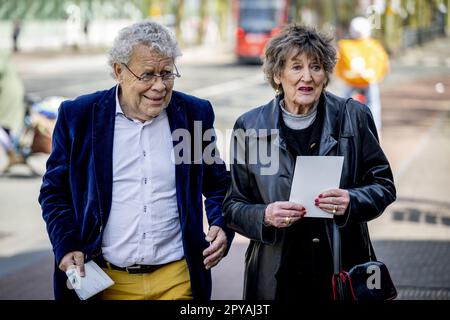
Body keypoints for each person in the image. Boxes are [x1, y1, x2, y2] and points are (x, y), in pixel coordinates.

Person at [39, 20, 233, 300]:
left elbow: (217, 184)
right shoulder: (79, 117)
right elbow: (54, 192)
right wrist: (66, 243)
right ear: (119, 71)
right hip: (105, 282)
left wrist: (220, 223)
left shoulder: (192, 116)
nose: (159, 86)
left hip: (178, 280)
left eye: (167, 73)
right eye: (147, 75)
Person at [223, 24, 396, 300]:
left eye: (316, 67)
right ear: (277, 75)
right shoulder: (249, 126)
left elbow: (384, 185)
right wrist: (265, 215)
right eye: (296, 67)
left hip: (341, 272)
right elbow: (233, 205)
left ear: (325, 73)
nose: (307, 77)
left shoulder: (354, 116)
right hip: (277, 277)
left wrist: (351, 200)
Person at [335, 16, 390, 133]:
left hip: (350, 81)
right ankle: (376, 131)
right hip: (369, 81)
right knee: (373, 106)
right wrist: (378, 76)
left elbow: (338, 65)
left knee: (343, 104)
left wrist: (342, 76)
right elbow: (383, 62)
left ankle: (342, 128)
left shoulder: (344, 46)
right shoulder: (374, 46)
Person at [0, 51, 26, 169]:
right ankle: (13, 152)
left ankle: (12, 152)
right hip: (10, 91)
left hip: (8, 93)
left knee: (4, 123)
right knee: (6, 124)